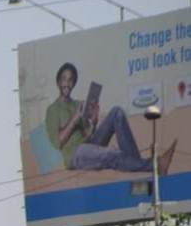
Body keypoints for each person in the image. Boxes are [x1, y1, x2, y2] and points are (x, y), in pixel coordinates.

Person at [46, 62, 176, 173]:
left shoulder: (78, 104)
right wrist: (74, 120)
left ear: (74, 82)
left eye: (70, 80)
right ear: (58, 81)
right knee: (111, 153)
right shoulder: (53, 109)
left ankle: (136, 165)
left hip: (88, 145)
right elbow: (57, 143)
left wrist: (94, 122)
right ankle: (155, 165)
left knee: (117, 112)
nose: (67, 83)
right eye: (64, 79)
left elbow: (87, 136)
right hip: (75, 154)